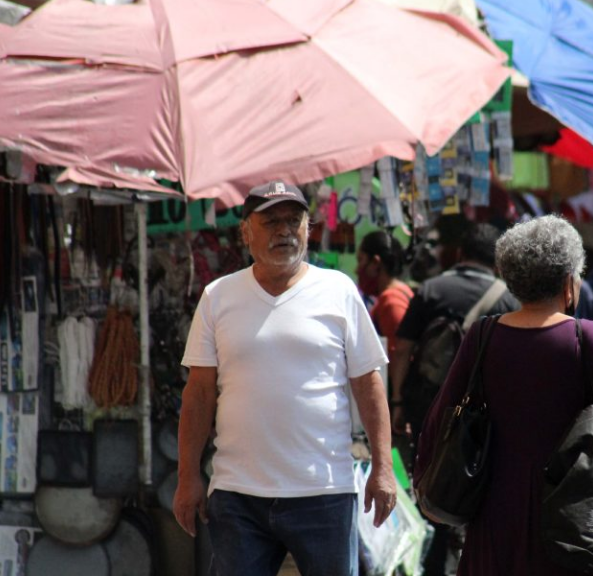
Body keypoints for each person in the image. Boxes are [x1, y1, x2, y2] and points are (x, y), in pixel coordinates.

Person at [414, 215, 593, 576]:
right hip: (571, 509)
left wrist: (423, 475)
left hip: (494, 507)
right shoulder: (585, 337)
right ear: (568, 281)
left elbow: (442, 413)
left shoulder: (483, 336)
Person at [175, 181, 396, 576]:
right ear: (245, 232)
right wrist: (187, 476)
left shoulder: (339, 291)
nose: (284, 231)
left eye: (294, 221)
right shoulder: (217, 297)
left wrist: (383, 468)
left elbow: (368, 383)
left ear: (309, 229)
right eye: (271, 221)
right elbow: (199, 393)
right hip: (238, 493)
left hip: (323, 492)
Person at [389, 221, 518, 576]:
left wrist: (398, 401)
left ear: (460, 253)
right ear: (496, 261)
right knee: (473, 484)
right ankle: (462, 557)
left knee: (428, 479)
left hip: (428, 404)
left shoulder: (431, 289)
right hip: (480, 415)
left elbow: (402, 350)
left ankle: (426, 557)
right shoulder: (507, 298)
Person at [355, 230, 414, 374]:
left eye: (361, 260)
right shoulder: (403, 291)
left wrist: (396, 396)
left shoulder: (390, 301)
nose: (357, 270)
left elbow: (399, 352)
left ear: (375, 263)